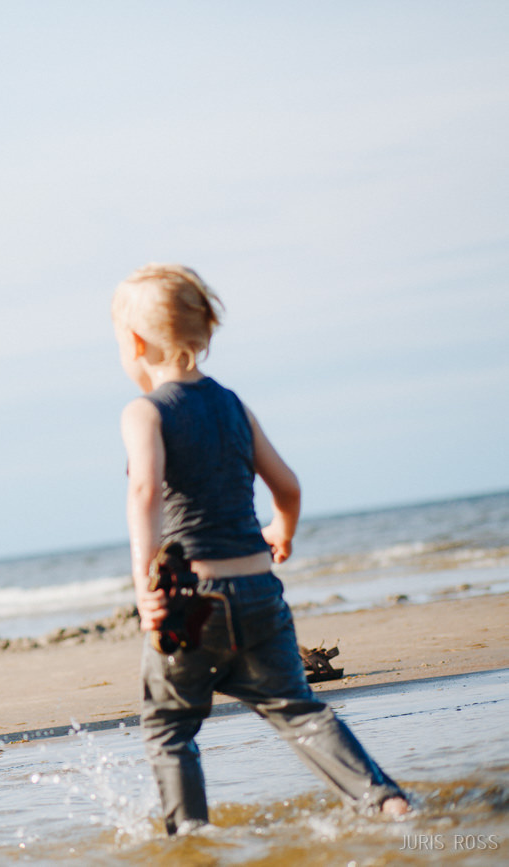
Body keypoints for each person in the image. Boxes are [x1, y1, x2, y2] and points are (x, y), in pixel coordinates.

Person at [112, 263, 409, 835]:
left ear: (136, 342)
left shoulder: (143, 411)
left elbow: (144, 492)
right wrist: (281, 530)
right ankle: (387, 804)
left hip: (192, 600)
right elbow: (288, 487)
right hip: (259, 591)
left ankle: (191, 837)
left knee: (170, 727)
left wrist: (144, 585)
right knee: (299, 711)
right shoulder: (233, 405)